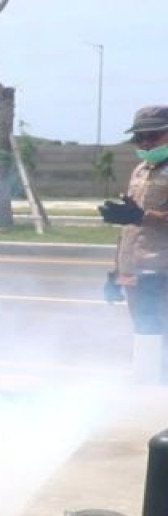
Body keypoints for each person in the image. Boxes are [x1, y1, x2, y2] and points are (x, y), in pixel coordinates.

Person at [99, 105, 168, 374]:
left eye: (154, 135)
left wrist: (143, 216)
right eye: (140, 138)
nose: (146, 142)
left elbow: (140, 218)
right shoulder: (141, 170)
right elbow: (129, 227)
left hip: (163, 271)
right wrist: (116, 271)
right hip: (136, 269)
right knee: (145, 338)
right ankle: (151, 395)